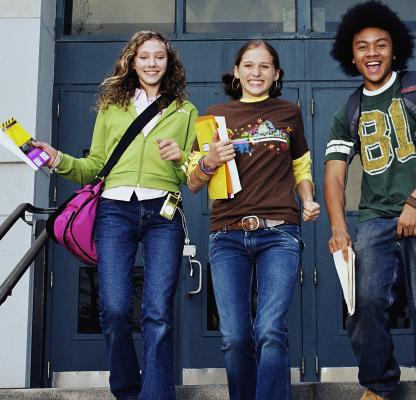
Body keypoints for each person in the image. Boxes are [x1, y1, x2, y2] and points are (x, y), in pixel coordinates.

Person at [35, 31, 197, 399]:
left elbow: (194, 174)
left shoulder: (185, 111)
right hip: (115, 210)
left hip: (163, 212)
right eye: (145, 57)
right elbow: (94, 166)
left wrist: (183, 158)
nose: (152, 63)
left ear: (168, 63)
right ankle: (126, 390)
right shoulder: (112, 107)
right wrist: (58, 159)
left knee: (158, 312)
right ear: (132, 61)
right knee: (113, 308)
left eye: (159, 57)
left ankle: (155, 394)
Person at [323, 2, 416, 399]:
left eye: (380, 45)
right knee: (362, 301)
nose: (372, 53)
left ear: (394, 49)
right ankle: (381, 382)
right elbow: (334, 175)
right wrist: (338, 227)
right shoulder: (349, 109)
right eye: (363, 46)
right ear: (352, 55)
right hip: (375, 216)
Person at [186, 39, 320, 400]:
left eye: (264, 66)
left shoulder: (289, 112)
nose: (256, 72)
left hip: (279, 233)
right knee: (234, 338)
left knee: (270, 330)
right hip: (227, 236)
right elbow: (194, 182)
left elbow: (300, 165)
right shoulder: (213, 117)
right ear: (236, 72)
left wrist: (307, 199)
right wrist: (209, 159)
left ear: (276, 74)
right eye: (249, 65)